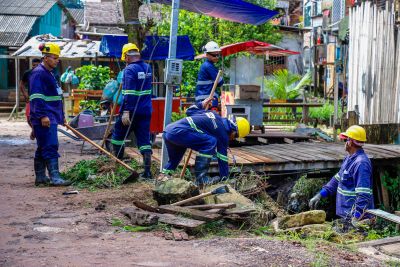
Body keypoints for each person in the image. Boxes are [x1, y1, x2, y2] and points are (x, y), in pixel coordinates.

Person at [160, 99, 250, 186]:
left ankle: (162, 179)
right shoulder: (223, 134)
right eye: (235, 137)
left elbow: (190, 111)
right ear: (235, 131)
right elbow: (222, 158)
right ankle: (201, 179)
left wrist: (202, 103)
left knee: (174, 161)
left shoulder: (212, 114)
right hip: (180, 133)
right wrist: (225, 179)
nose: (232, 139)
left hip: (169, 131)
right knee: (210, 142)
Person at [309, 125, 374, 230]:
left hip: (356, 220)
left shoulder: (361, 163)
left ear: (351, 142)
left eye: (346, 140)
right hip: (345, 215)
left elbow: (363, 195)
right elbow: (337, 179)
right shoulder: (349, 158)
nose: (344, 143)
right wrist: (320, 195)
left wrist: (356, 217)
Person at [29, 43, 71, 186]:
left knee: (43, 147)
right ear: (46, 58)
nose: (57, 60)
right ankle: (55, 177)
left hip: (51, 115)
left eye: (57, 58)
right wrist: (42, 116)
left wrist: (61, 116)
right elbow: (36, 97)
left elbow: (54, 96)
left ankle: (40, 178)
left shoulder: (49, 73)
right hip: (45, 117)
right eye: (54, 58)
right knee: (51, 145)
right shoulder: (39, 73)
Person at [111, 43, 153, 180]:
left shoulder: (129, 70)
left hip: (131, 111)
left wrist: (126, 112)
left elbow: (129, 93)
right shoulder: (148, 67)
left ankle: (117, 168)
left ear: (127, 57)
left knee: (118, 136)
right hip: (146, 111)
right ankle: (147, 172)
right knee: (144, 140)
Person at [195, 41, 224, 111]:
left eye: (218, 55)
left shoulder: (206, 65)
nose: (217, 57)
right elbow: (220, 82)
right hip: (208, 100)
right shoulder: (209, 66)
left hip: (204, 99)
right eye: (214, 55)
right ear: (207, 54)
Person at [20, 58, 41, 139]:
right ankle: (34, 129)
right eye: (33, 65)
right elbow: (21, 84)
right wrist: (25, 95)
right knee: (29, 118)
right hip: (31, 98)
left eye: (37, 65)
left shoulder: (43, 73)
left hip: (41, 99)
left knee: (39, 116)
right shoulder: (28, 73)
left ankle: (36, 131)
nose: (35, 67)